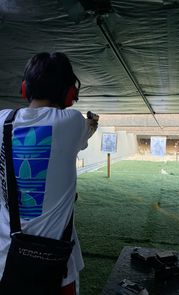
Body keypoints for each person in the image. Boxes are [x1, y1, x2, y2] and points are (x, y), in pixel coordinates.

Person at [0, 52, 98, 295]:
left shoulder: (2, 120)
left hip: (5, 262)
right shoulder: (73, 122)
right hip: (56, 268)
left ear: (25, 88)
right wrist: (92, 124)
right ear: (68, 95)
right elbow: (84, 134)